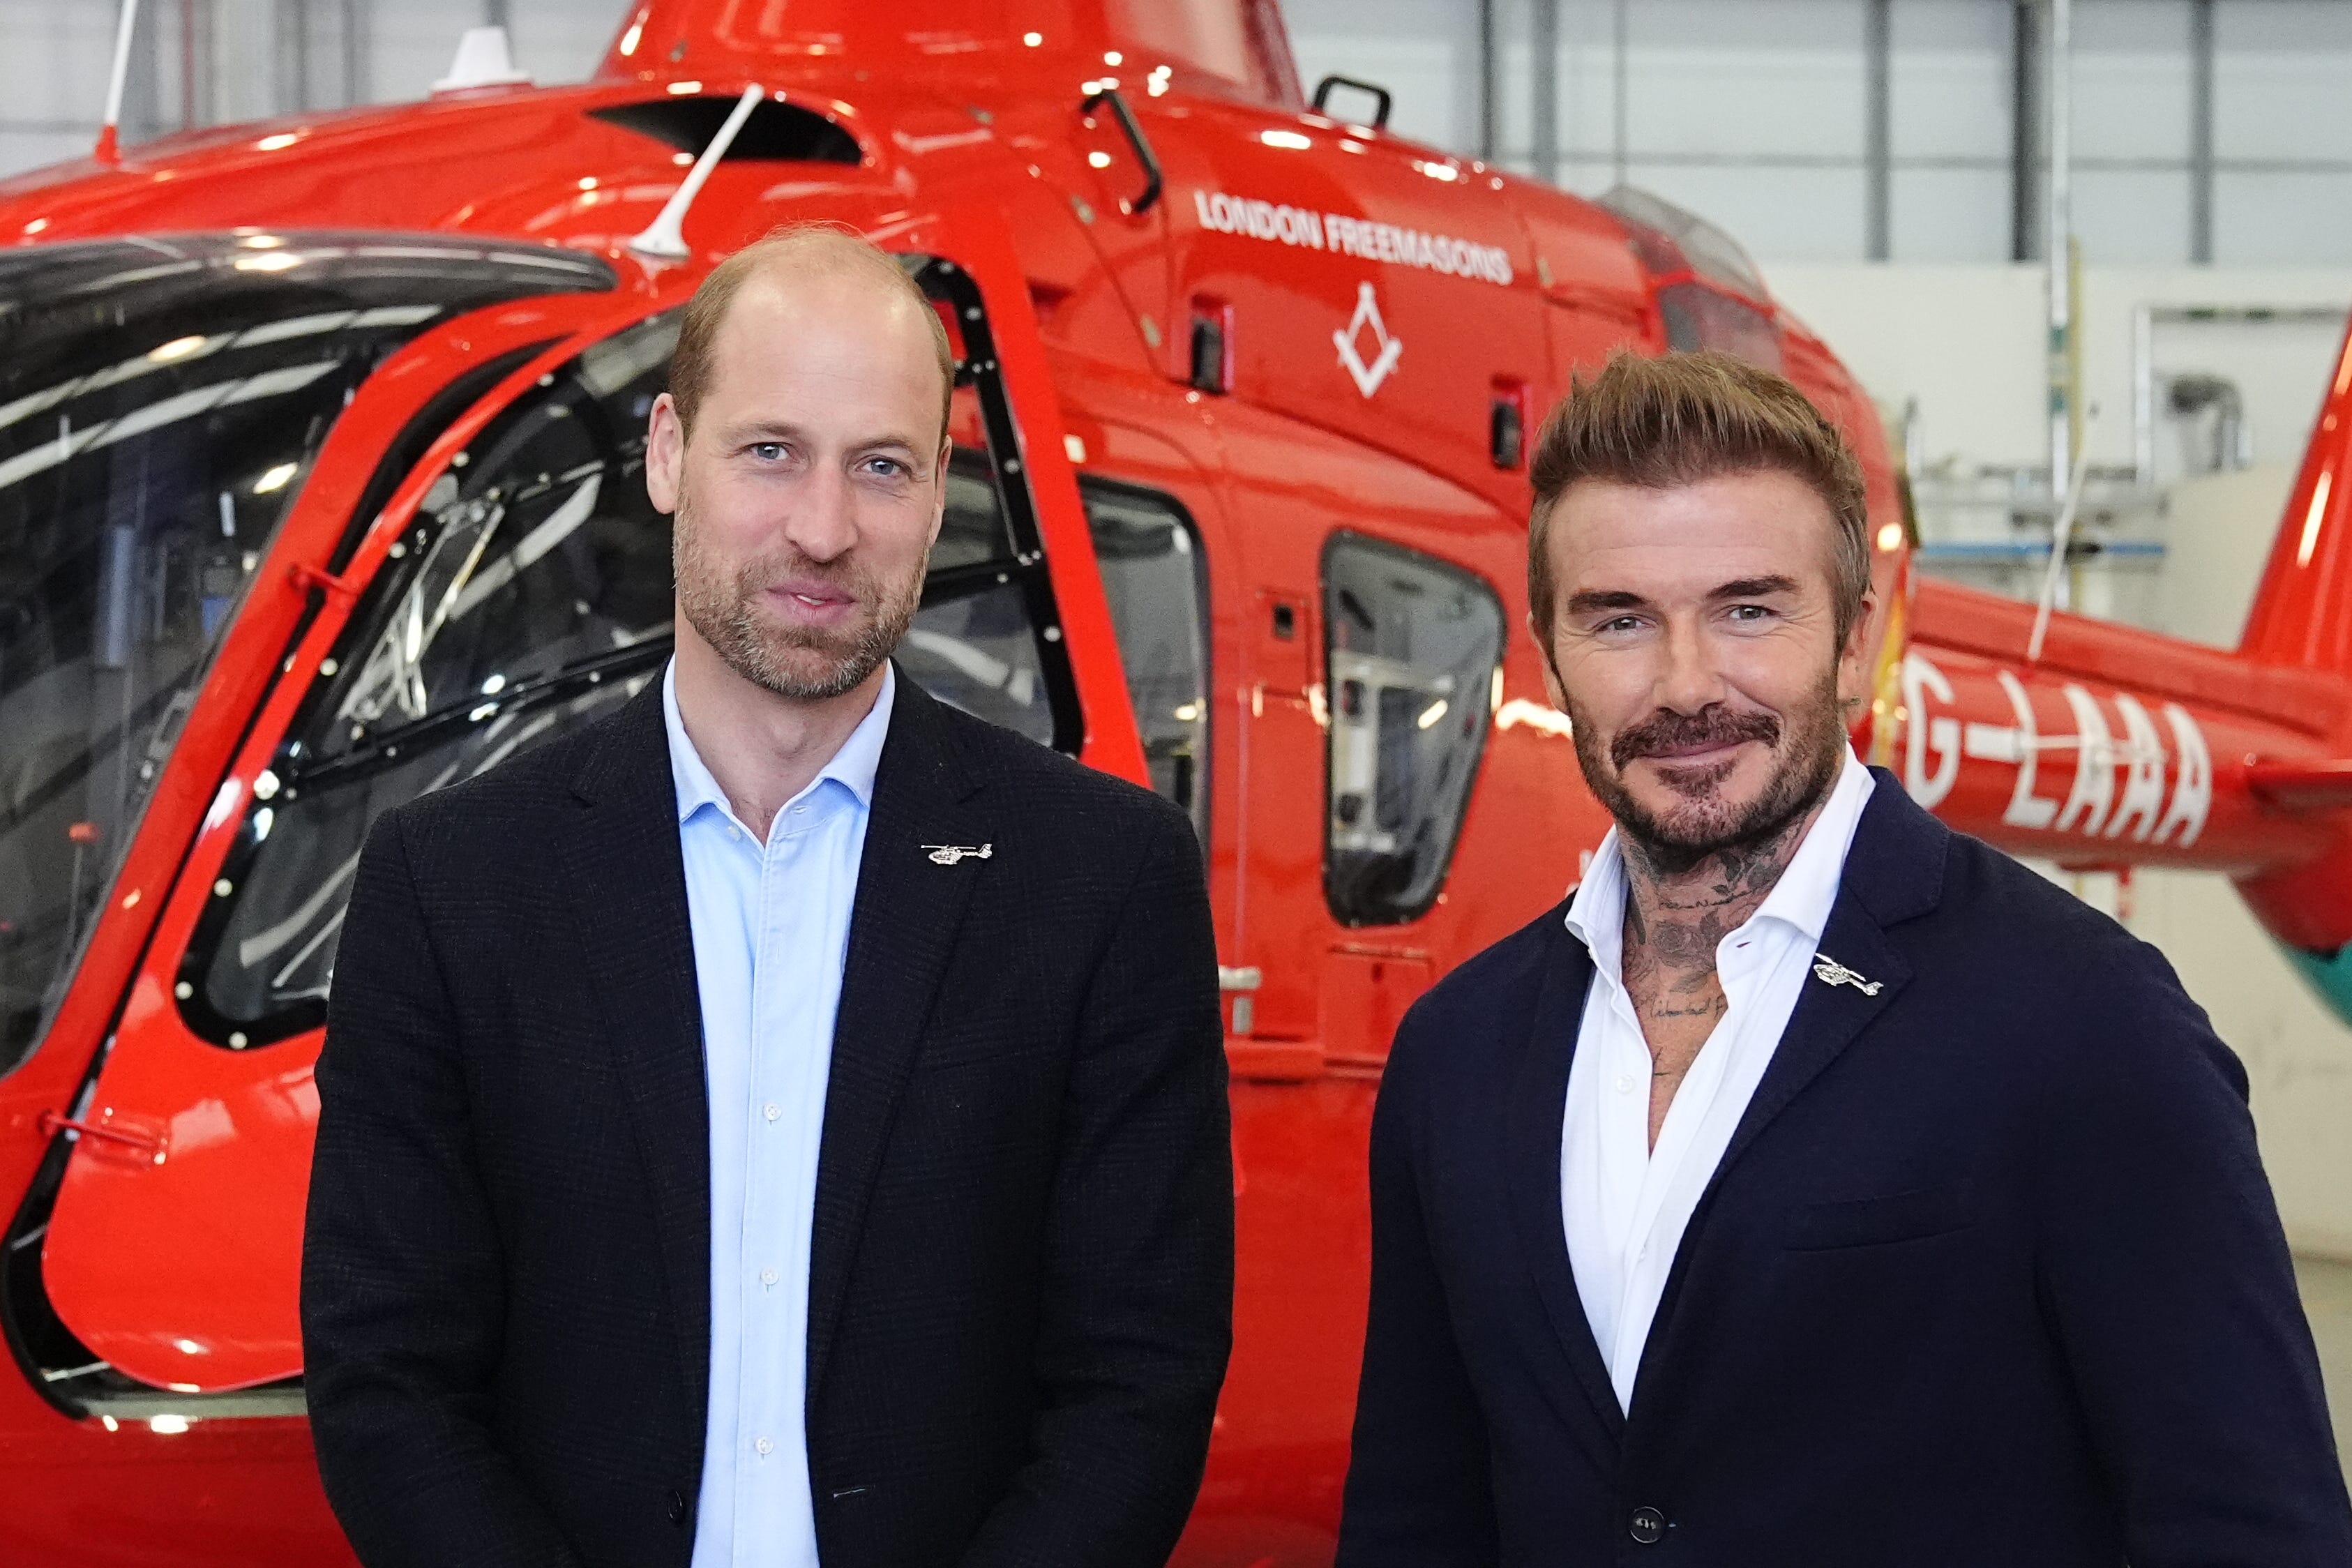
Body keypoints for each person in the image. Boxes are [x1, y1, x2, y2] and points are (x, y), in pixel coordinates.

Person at [302, 225, 1232, 1568]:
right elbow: (387, 1383)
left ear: (938, 490)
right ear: (671, 454)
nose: (824, 527)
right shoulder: (453, 885)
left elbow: (1137, 1389)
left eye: (882, 467)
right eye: (770, 450)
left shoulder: (1101, 882)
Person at [1336, 349, 2352, 1567]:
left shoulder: (2087, 1023)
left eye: (1750, 608)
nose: (1686, 684)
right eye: (1619, 620)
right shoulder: (1459, 1051)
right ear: (1551, 651)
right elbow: (1415, 1514)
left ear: (1858, 639)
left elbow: (2249, 1526)